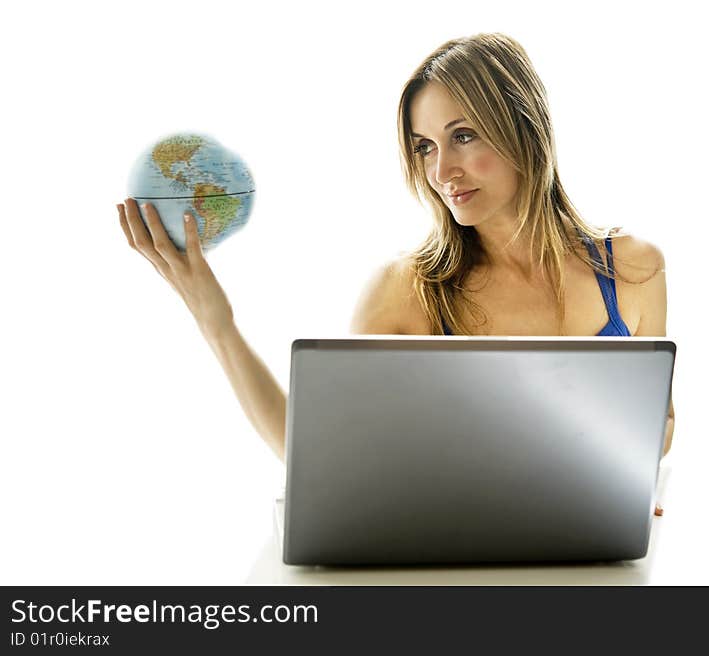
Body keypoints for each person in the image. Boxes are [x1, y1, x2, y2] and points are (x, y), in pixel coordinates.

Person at [116, 33, 675, 514]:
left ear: (525, 128)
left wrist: (629, 470)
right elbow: (315, 452)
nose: (442, 170)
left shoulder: (632, 269)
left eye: (463, 135)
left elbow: (658, 423)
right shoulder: (408, 294)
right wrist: (217, 321)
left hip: (592, 562)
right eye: (425, 146)